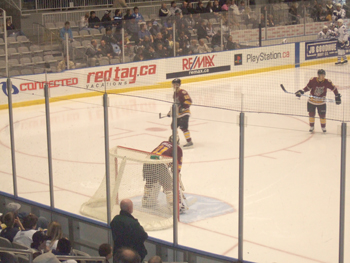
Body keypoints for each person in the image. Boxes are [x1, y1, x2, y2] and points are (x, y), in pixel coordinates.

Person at [142, 135, 188, 212]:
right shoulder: (178, 148)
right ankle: (173, 207)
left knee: (150, 182)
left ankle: (146, 201)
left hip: (147, 162)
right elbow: (177, 167)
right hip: (160, 164)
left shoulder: (163, 142)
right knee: (168, 186)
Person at [168, 79, 193, 147]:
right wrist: (171, 111)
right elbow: (175, 103)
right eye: (173, 84)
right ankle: (175, 140)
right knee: (173, 126)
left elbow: (189, 101)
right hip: (178, 114)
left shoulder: (183, 92)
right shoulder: (175, 93)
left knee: (183, 127)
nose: (173, 85)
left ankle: (189, 141)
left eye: (174, 84)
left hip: (185, 113)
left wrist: (184, 107)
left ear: (177, 85)